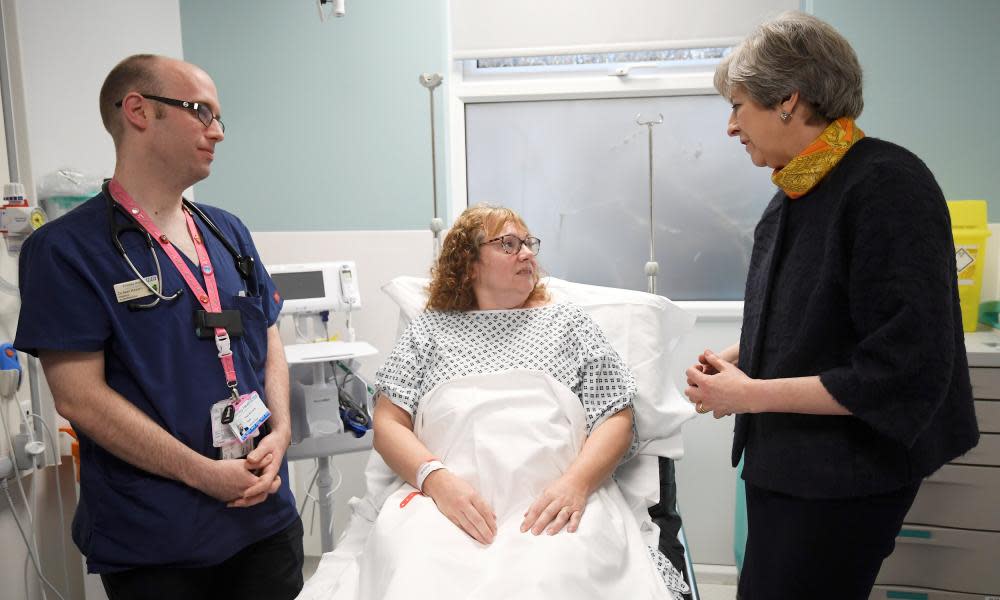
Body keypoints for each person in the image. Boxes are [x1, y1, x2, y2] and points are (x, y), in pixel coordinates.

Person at [683, 12, 979, 600]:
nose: (730, 127)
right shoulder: (794, 195)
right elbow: (805, 319)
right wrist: (734, 359)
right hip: (787, 460)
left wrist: (749, 394)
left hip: (846, 476)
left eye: (738, 106)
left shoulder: (888, 185)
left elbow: (903, 367)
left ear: (788, 101)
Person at [14, 54, 303, 599]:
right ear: (139, 111)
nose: (217, 132)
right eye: (201, 112)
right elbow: (79, 399)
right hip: (160, 539)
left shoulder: (228, 232)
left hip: (264, 520)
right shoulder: (65, 250)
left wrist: (282, 432)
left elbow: (268, 337)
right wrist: (203, 473)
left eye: (219, 118)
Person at [351, 205, 688, 599]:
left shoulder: (568, 323)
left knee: (550, 580)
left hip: (552, 505)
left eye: (529, 244)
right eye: (508, 244)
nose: (527, 253)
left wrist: (576, 485)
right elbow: (388, 423)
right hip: (445, 504)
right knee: (419, 574)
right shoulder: (429, 330)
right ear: (469, 263)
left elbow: (617, 416)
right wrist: (436, 482)